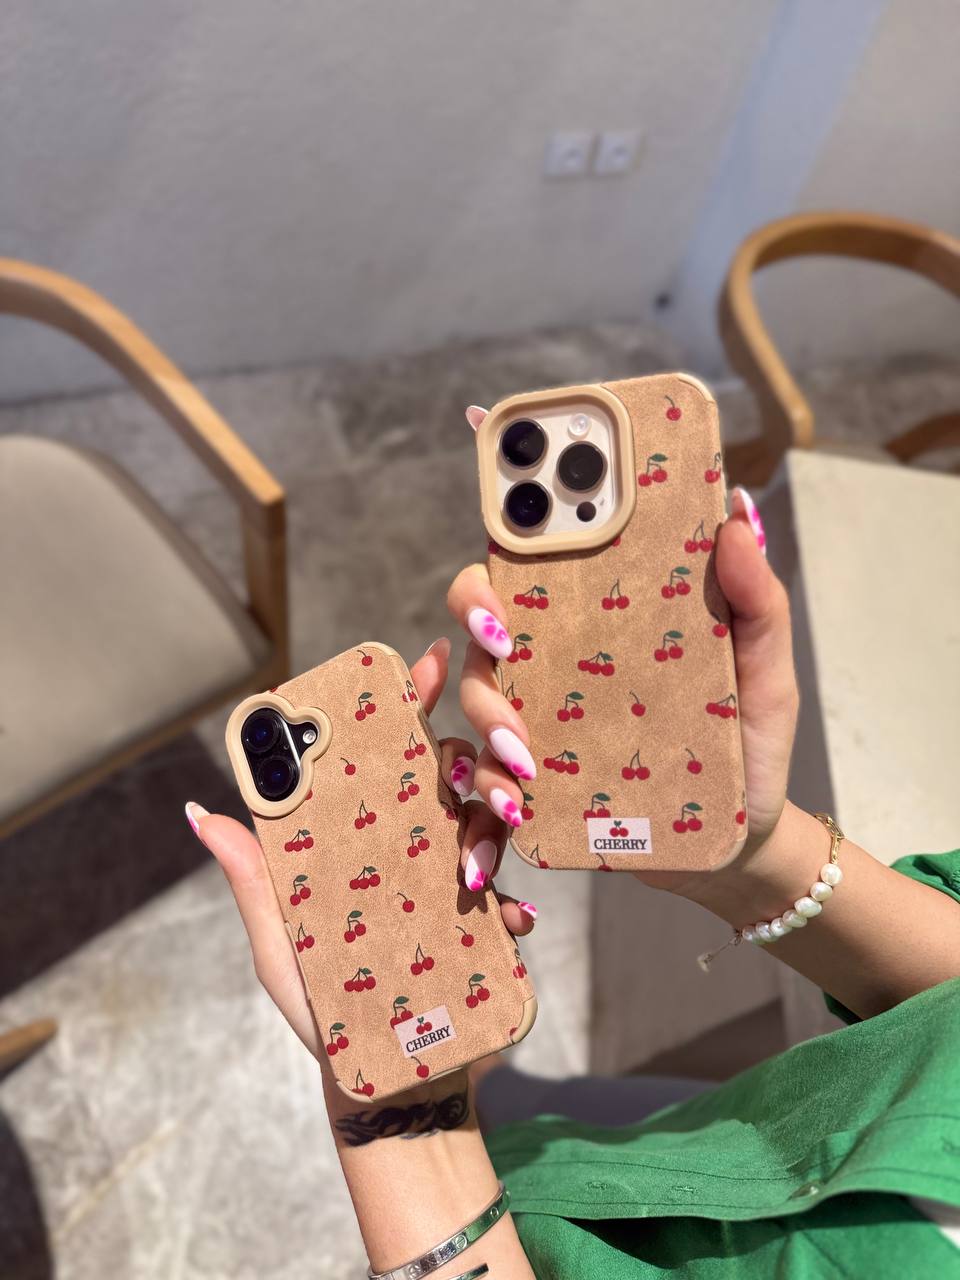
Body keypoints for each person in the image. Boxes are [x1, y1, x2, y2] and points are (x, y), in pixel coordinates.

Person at [185, 449, 960, 1278]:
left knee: (517, 1109)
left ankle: (490, 1093)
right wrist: (742, 852)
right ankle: (500, 1090)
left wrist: (407, 1133)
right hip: (701, 1135)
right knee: (534, 1107)